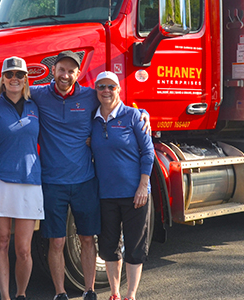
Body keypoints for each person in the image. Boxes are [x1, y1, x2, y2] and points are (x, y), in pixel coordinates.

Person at [29, 50, 150, 300]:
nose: (65, 75)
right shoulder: (38, 94)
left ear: (78, 74)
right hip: (52, 182)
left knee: (87, 238)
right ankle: (60, 292)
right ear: (53, 71)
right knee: (56, 242)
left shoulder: (89, 96)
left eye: (71, 71)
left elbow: (117, 105)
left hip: (84, 181)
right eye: (61, 70)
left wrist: (143, 114)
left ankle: (90, 290)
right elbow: (10, 91)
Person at [89, 71, 154, 300]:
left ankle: (131, 295)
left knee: (135, 247)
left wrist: (143, 186)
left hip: (134, 194)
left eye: (111, 87)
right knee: (109, 246)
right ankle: (115, 294)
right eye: (101, 86)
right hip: (105, 194)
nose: (106, 91)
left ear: (119, 89)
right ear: (96, 90)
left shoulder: (133, 116)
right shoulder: (93, 119)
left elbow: (148, 152)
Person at [0, 57, 43, 300]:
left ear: (25, 79)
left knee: (23, 249)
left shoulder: (36, 104)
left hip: (30, 182)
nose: (14, 79)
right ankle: (5, 296)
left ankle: (21, 294)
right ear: (2, 79)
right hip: (0, 180)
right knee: (1, 242)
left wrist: (140, 113)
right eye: (9, 74)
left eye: (19, 75)